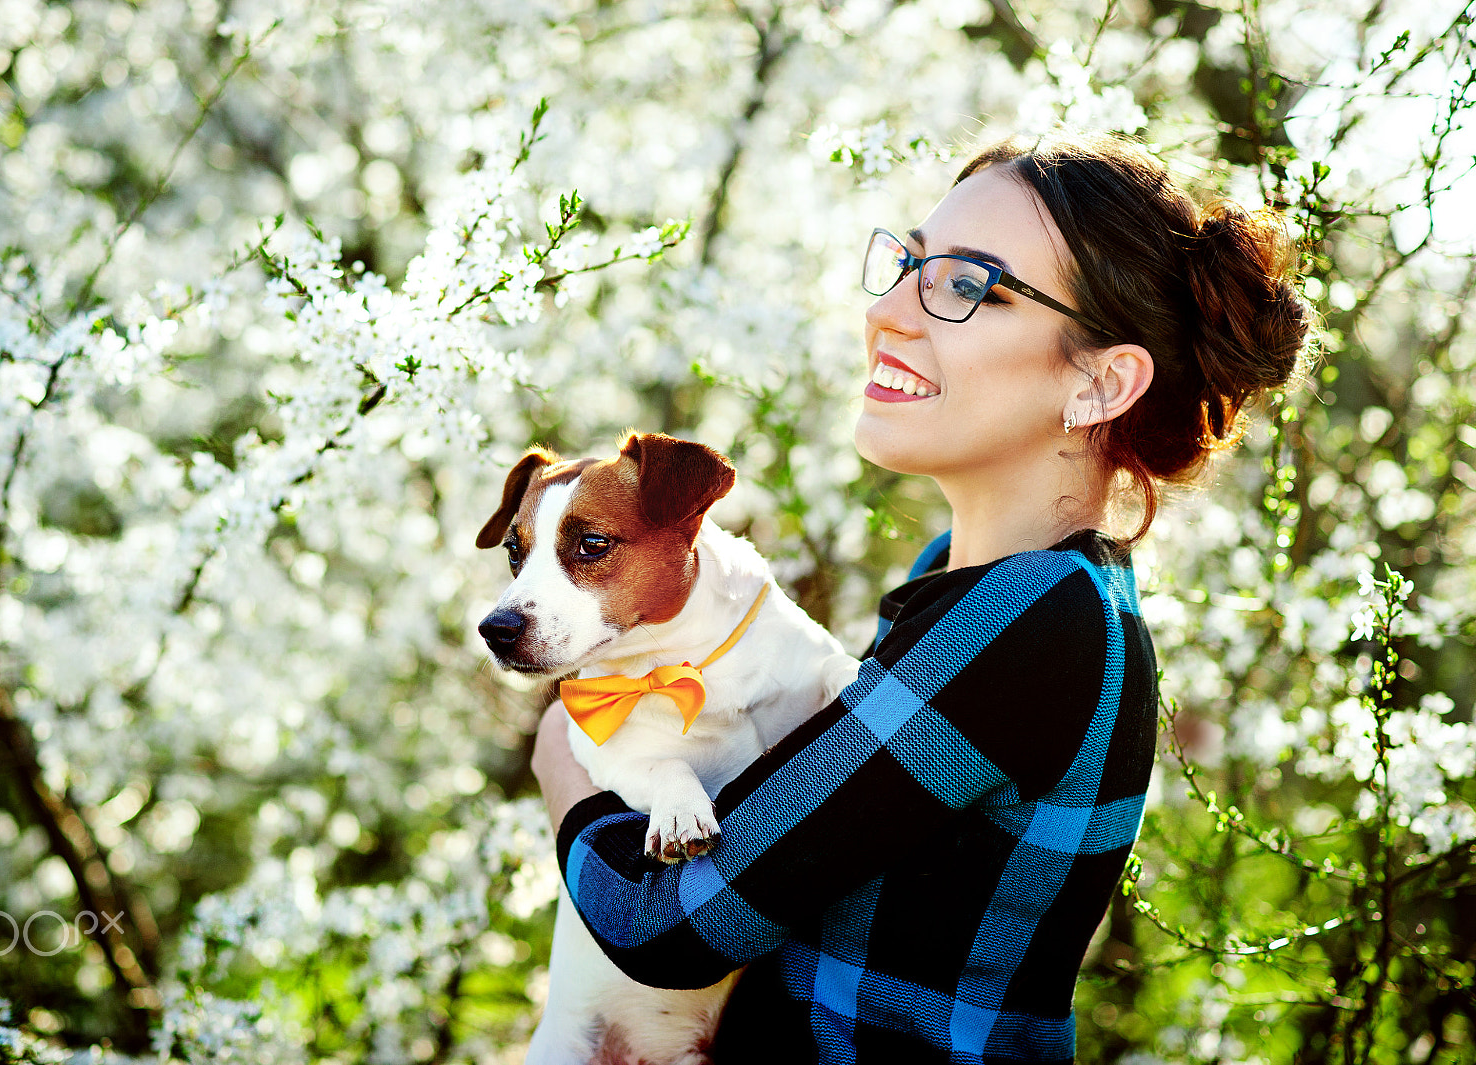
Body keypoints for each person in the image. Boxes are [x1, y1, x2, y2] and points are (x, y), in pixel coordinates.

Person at [529, 132, 1311, 1063]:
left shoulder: (1031, 620)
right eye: (906, 262)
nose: (888, 311)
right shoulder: (977, 584)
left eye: (966, 284)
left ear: (1101, 380)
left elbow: (668, 925)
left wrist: (566, 766)